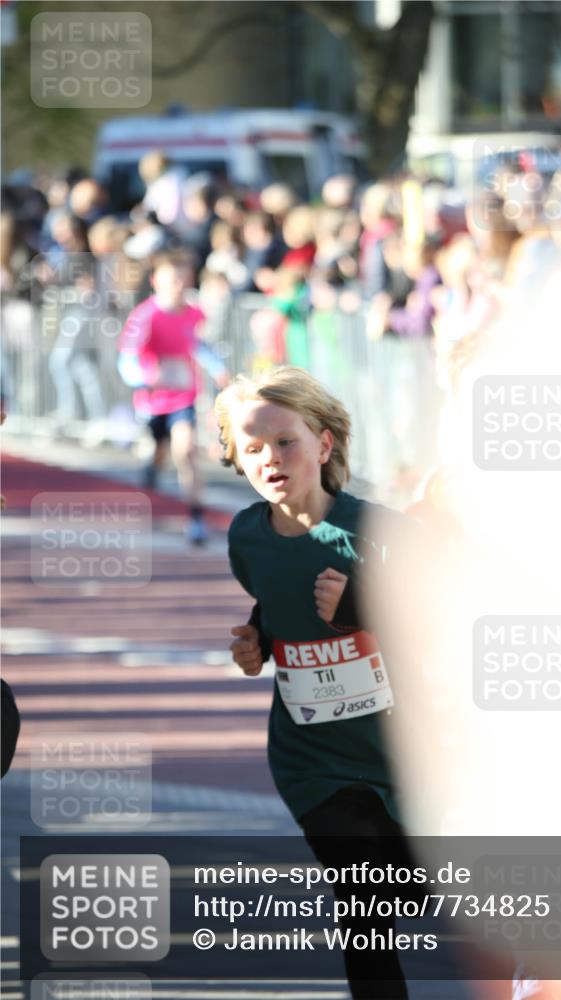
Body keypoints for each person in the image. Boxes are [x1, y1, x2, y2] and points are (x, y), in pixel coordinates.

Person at [215, 367, 433, 999]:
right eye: (253, 448)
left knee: (410, 891)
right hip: (311, 758)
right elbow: (275, 600)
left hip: (403, 750)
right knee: (362, 906)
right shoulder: (247, 537)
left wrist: (361, 606)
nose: (271, 458)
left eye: (286, 441)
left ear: (324, 444)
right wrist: (260, 641)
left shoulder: (379, 532)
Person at [118, 250, 229, 545]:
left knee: (186, 450)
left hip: (183, 397)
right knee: (159, 451)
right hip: (153, 400)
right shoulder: (144, 316)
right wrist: (145, 378)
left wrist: (218, 368)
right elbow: (126, 361)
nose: (177, 286)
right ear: (156, 281)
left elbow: (197, 344)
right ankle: (152, 469)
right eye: (171, 280)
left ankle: (196, 519)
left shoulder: (193, 314)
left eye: (182, 280)